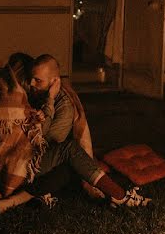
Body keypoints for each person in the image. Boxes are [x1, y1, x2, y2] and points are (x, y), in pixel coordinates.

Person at [24, 54, 151, 208]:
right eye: (32, 78)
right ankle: (120, 195)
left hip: (32, 159)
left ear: (54, 82)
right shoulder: (33, 94)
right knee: (72, 159)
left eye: (38, 80)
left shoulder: (63, 104)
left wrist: (49, 104)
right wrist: (47, 103)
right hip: (21, 159)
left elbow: (45, 140)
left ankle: (118, 194)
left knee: (69, 161)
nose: (31, 83)